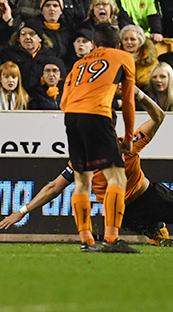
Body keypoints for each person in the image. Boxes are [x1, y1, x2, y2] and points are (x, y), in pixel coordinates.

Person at [0, 90, 173, 245]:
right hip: (127, 211)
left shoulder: (126, 144)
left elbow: (159, 116)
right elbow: (54, 188)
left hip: (148, 202)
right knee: (170, 235)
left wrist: (138, 93)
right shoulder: (92, 155)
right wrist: (22, 212)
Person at [59, 25, 138, 252]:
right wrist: (129, 137)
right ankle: (112, 239)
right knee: (117, 177)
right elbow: (129, 101)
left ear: (93, 45)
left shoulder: (78, 63)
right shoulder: (123, 57)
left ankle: (86, 240)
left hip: (72, 117)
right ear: (119, 43)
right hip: (97, 114)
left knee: (82, 179)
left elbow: (64, 102)